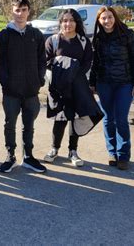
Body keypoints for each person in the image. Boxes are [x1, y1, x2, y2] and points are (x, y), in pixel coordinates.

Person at [0, 0, 47, 173]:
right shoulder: (4, 35)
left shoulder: (36, 35)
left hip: (31, 90)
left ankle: (29, 156)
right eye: (17, 10)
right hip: (11, 91)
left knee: (29, 124)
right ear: (12, 11)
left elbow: (42, 60)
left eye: (24, 10)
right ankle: (10, 155)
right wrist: (6, 84)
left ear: (28, 11)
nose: (20, 13)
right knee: (10, 123)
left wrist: (39, 80)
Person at [89, 6, 134, 170]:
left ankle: (124, 155)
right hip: (104, 83)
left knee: (121, 119)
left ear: (115, 18)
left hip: (124, 83)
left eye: (110, 17)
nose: (107, 21)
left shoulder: (128, 35)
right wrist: (92, 83)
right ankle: (112, 152)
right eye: (103, 18)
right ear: (99, 21)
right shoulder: (97, 39)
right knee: (108, 119)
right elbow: (95, 63)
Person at [43, 9, 93, 167]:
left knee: (75, 119)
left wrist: (74, 77)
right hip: (58, 87)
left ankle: (73, 151)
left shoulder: (84, 41)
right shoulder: (53, 40)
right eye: (64, 20)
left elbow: (87, 63)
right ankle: (54, 149)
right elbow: (46, 62)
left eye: (71, 20)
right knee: (60, 119)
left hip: (77, 87)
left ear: (77, 23)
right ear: (60, 23)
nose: (68, 24)